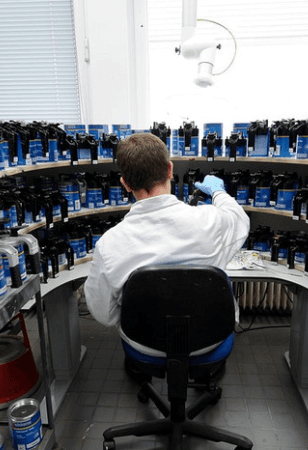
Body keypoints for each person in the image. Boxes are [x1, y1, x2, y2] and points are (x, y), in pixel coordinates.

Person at [84, 133, 250, 356]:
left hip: (144, 342)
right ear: (170, 170)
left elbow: (102, 313)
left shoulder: (109, 244)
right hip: (210, 338)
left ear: (125, 184)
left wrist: (139, 318)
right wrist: (218, 192)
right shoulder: (211, 221)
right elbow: (240, 219)